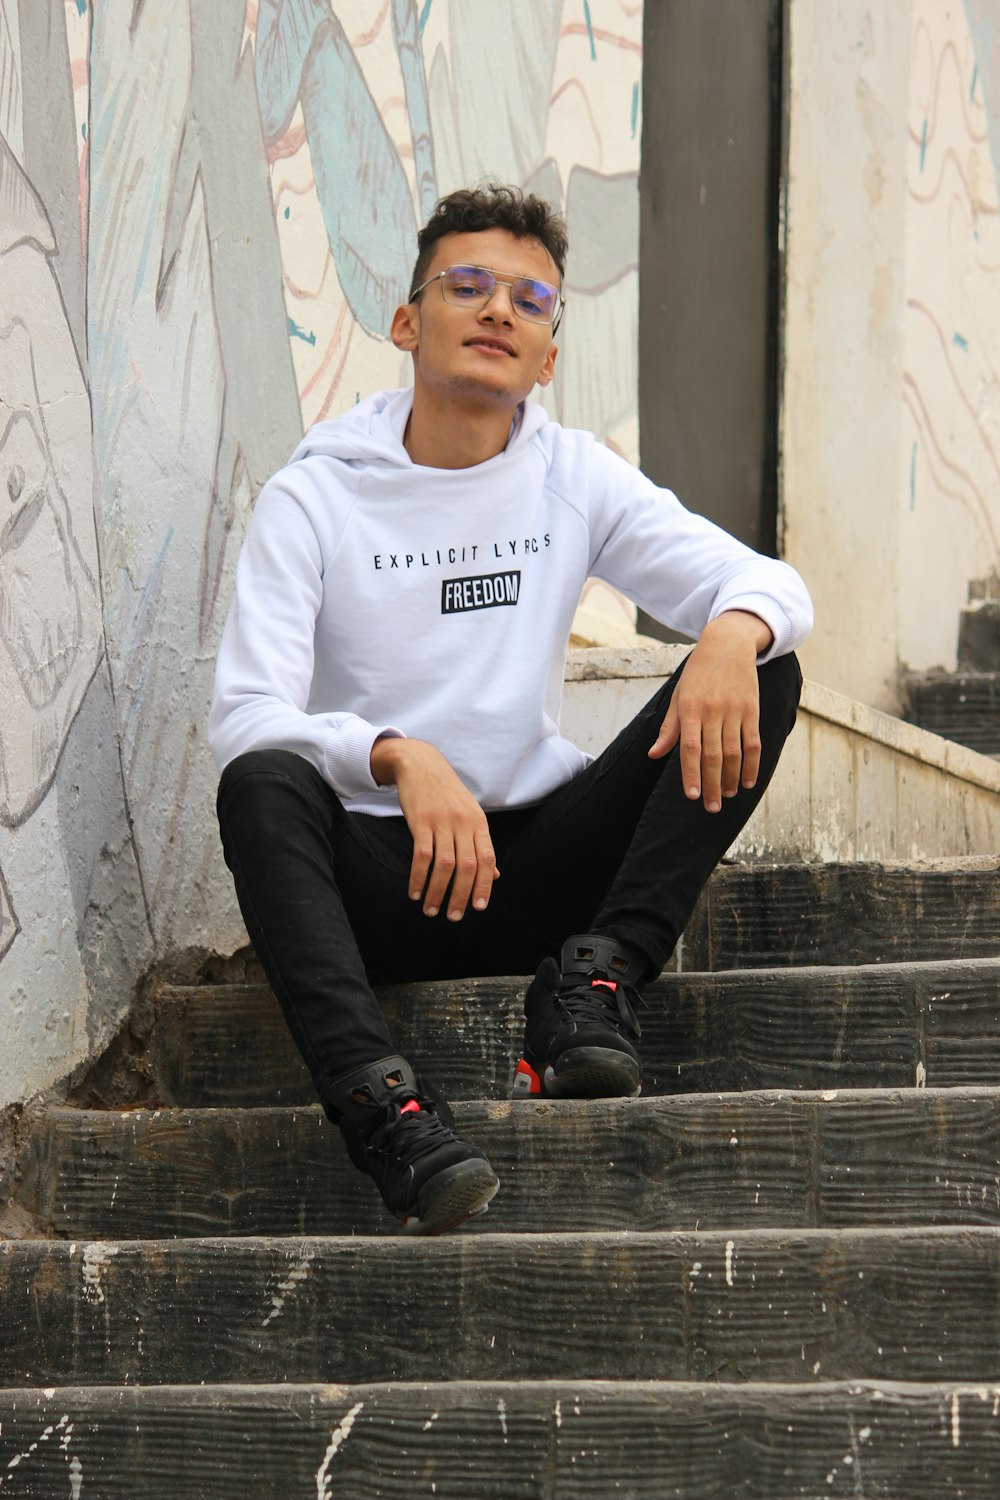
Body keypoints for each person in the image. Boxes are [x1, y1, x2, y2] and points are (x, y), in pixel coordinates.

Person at [208, 184, 812, 1237]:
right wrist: (395, 754)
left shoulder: (569, 475)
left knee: (763, 662)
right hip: (379, 889)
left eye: (530, 301)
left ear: (546, 356)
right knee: (263, 782)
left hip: (539, 876)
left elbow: (773, 587)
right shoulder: (314, 498)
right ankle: (388, 1114)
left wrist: (729, 631)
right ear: (407, 322)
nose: (499, 311)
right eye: (468, 285)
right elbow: (247, 715)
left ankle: (599, 982)